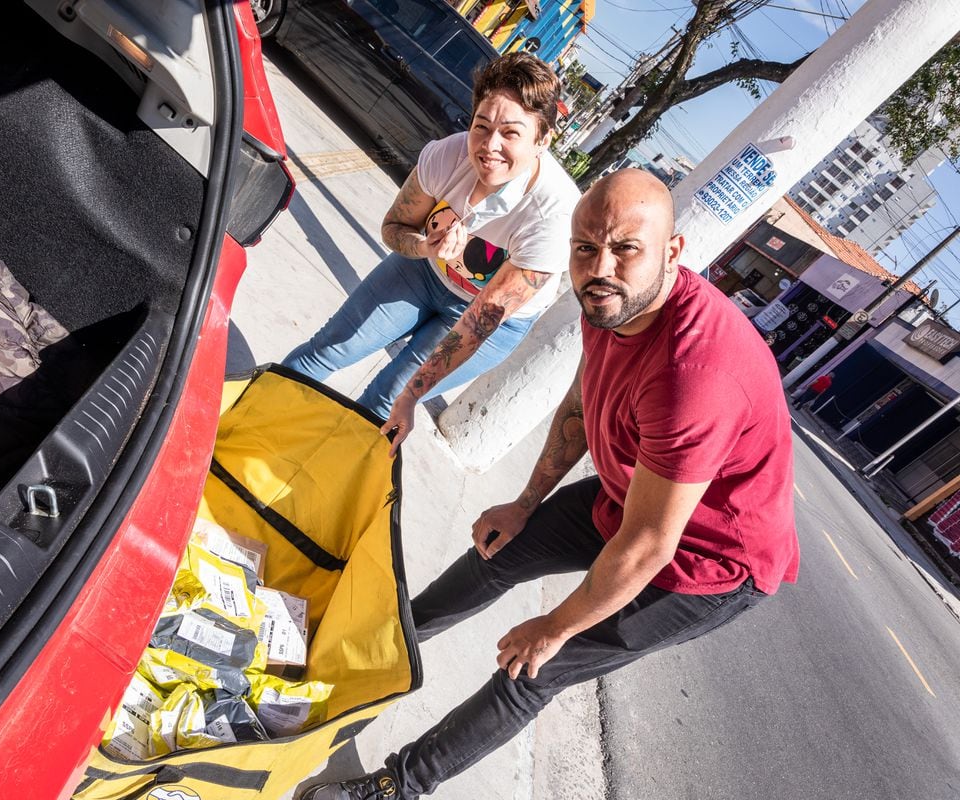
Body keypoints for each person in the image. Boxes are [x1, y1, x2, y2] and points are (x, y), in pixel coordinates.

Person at [297, 169, 800, 800]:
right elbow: (583, 398)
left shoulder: (694, 374)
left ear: (673, 252)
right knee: (497, 553)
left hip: (704, 564)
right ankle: (369, 649)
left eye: (625, 248)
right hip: (630, 495)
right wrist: (525, 502)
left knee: (532, 672)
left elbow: (648, 546)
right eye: (586, 248)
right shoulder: (608, 302)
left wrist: (554, 627)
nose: (601, 267)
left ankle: (396, 786)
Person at [282, 53, 580, 450]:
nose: (489, 146)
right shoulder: (448, 154)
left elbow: (480, 322)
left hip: (490, 322)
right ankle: (241, 426)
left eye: (511, 133)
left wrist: (411, 395)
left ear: (542, 140)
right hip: (423, 272)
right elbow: (394, 227)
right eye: (481, 126)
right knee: (331, 347)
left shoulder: (555, 215)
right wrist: (424, 246)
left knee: (388, 397)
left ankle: (321, 486)